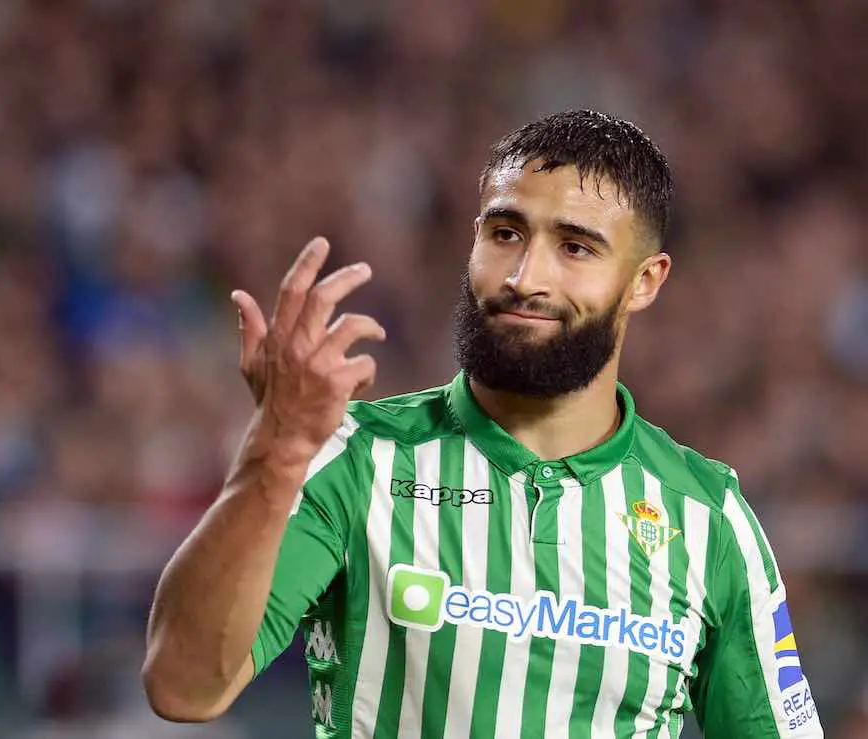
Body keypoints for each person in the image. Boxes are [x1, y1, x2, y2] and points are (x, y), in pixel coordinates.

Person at [141, 110, 824, 738]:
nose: (525, 276)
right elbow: (182, 685)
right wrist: (277, 451)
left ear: (645, 281)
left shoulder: (707, 519)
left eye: (576, 248)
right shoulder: (352, 459)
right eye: (505, 233)